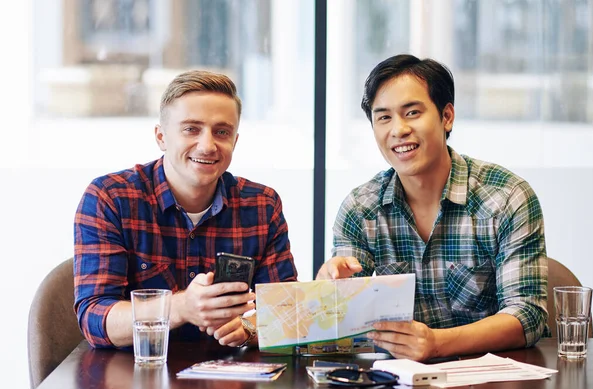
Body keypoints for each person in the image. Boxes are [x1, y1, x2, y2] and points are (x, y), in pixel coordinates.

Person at [317, 54, 548, 361]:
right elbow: (345, 322)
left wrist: (436, 343)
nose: (398, 130)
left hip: (493, 381)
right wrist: (330, 289)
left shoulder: (506, 197)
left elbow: (528, 315)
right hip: (399, 385)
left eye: (412, 112)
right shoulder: (360, 209)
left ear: (446, 116)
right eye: (383, 117)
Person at [74, 70, 297, 349]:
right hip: (136, 379)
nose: (207, 145)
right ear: (161, 137)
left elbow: (286, 314)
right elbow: (94, 319)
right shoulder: (111, 198)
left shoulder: (263, 205)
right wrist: (180, 308)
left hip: (231, 381)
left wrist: (250, 330)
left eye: (222, 132)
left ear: (235, 142)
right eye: (191, 129)